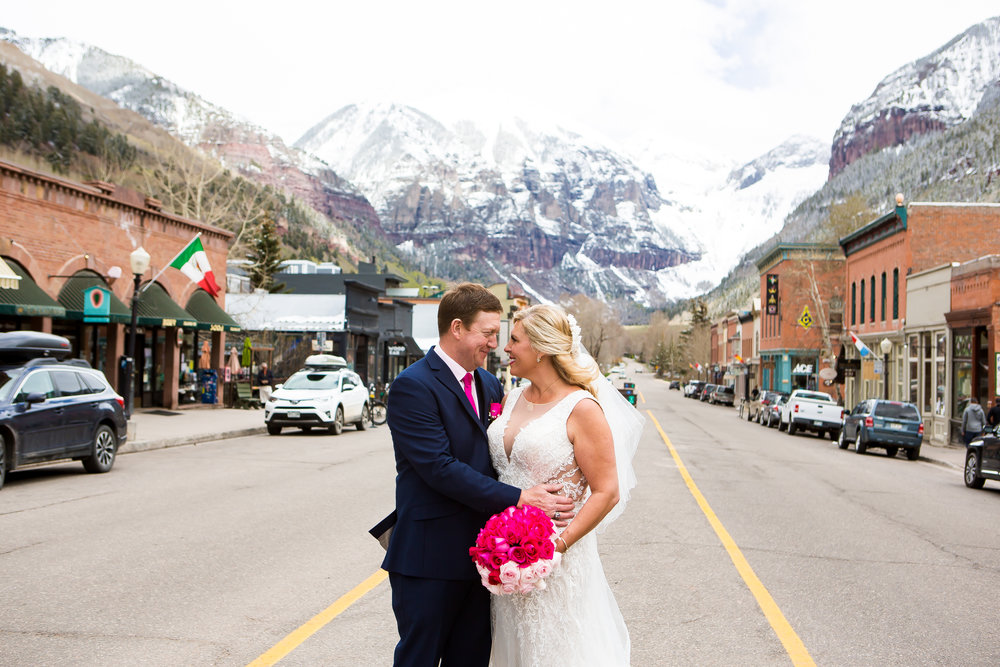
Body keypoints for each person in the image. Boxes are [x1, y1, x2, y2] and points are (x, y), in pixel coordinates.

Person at [382, 284, 576, 667]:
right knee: (419, 658)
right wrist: (520, 498)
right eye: (487, 333)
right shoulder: (412, 386)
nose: (495, 343)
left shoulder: (488, 384)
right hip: (428, 557)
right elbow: (440, 468)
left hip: (487, 559)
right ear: (457, 328)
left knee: (471, 659)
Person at [487, 304, 643, 665]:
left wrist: (557, 546)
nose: (505, 348)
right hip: (505, 560)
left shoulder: (582, 408)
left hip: (556, 563)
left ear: (541, 348)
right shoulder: (511, 398)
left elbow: (607, 491)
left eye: (514, 340)